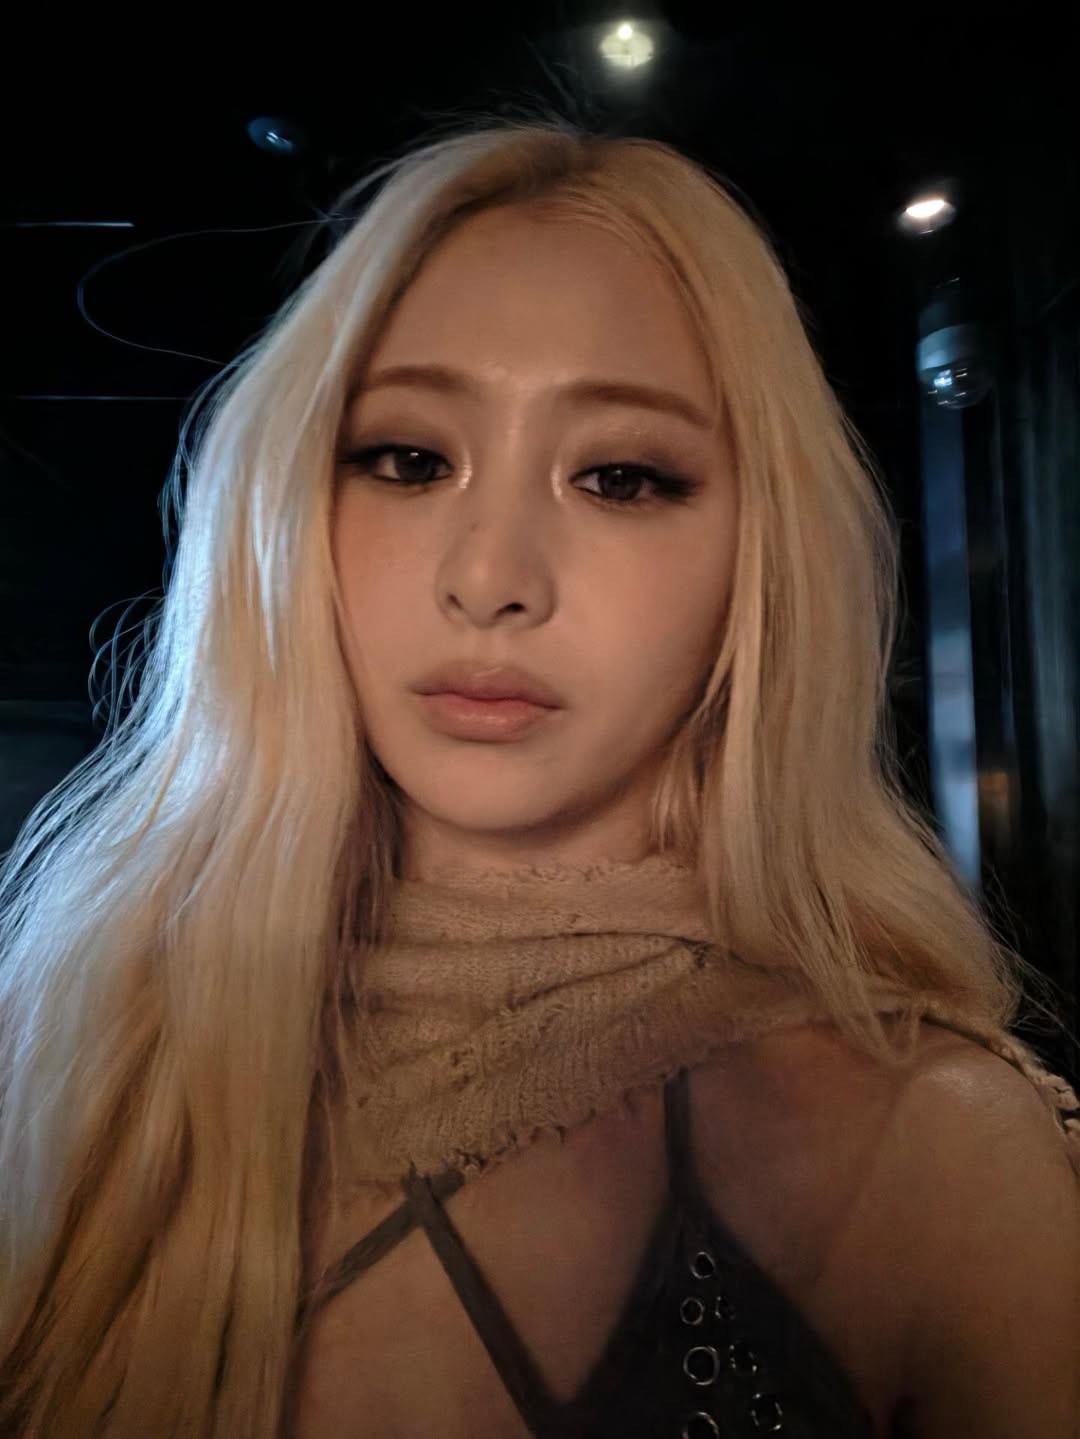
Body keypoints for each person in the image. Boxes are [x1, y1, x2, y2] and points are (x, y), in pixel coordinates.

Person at [0, 114, 1077, 1438]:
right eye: (407, 460)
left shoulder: (936, 1156)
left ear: (763, 559)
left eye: (619, 477)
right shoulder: (72, 1055)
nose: (490, 578)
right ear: (280, 508)